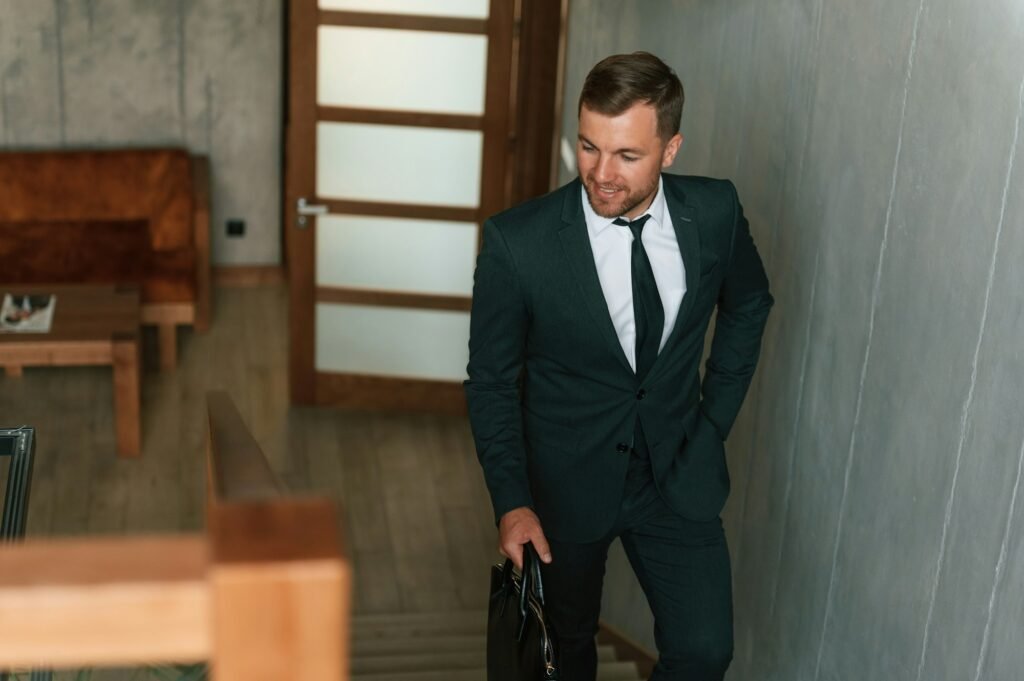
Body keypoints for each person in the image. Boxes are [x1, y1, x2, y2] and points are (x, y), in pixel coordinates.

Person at [465, 51, 773, 681]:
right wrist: (512, 501)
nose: (601, 174)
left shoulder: (713, 214)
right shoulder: (516, 243)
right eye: (587, 147)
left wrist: (712, 423)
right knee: (565, 653)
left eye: (627, 155)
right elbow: (491, 383)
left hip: (676, 474)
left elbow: (750, 302)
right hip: (562, 487)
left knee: (705, 651)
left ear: (671, 148)